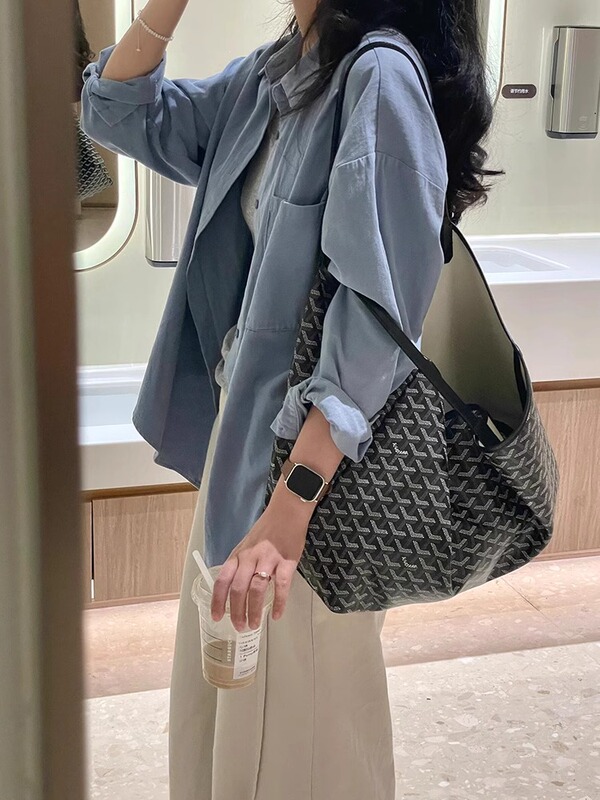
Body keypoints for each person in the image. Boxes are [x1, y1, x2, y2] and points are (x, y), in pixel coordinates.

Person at [80, 1, 500, 797]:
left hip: (309, 474)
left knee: (300, 730)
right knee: (226, 700)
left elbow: (377, 322)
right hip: (243, 441)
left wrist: (292, 505)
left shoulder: (379, 77)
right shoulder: (274, 75)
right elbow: (119, 114)